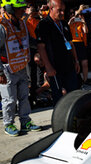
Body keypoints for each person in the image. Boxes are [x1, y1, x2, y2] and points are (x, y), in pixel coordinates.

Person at [0, 0, 41, 136]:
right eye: (20, 9)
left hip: (21, 66)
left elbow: (29, 40)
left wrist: (38, 48)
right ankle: (9, 124)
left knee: (24, 96)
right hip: (6, 68)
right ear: (10, 9)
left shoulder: (22, 23)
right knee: (9, 99)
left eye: (23, 8)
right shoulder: (2, 26)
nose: (23, 11)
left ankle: (25, 121)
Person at [35, 0, 80, 106]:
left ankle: (76, 117)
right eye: (59, 10)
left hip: (69, 65)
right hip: (54, 67)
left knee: (74, 93)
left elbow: (70, 43)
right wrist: (48, 67)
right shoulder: (43, 25)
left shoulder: (64, 23)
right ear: (51, 9)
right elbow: (41, 47)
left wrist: (76, 60)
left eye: (63, 10)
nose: (62, 13)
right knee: (59, 97)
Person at [69, 5, 89, 85]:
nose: (74, 15)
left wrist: (83, 22)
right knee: (75, 63)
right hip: (73, 43)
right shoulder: (70, 22)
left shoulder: (80, 22)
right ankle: (77, 81)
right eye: (71, 14)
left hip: (80, 43)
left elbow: (86, 31)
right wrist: (73, 18)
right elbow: (69, 23)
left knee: (85, 62)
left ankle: (85, 80)